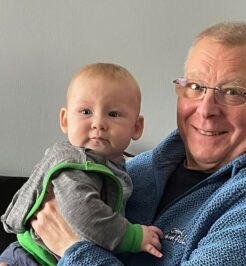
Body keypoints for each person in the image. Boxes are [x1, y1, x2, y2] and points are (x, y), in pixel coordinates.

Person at [5, 20, 246, 265]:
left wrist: (72, 248)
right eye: (195, 87)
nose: (207, 109)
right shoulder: (140, 166)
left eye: (234, 92)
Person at [0, 63, 163, 266]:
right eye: (86, 111)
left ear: (136, 127)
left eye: (112, 114)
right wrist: (134, 237)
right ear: (65, 120)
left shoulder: (118, 166)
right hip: (31, 258)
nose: (98, 123)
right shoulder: (74, 166)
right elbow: (86, 215)